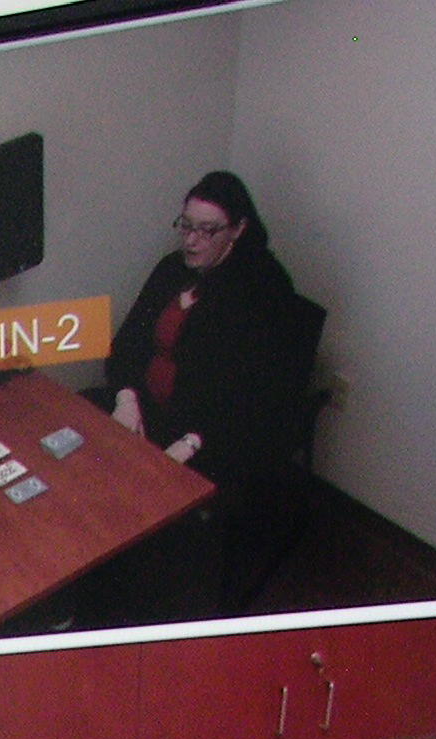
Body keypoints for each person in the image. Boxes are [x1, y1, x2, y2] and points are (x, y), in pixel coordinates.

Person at [99, 171, 321, 612]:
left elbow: (251, 399)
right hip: (150, 411)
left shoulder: (262, 290)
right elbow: (127, 343)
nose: (192, 241)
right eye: (186, 225)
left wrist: (189, 444)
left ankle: (139, 597)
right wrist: (127, 398)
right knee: (92, 471)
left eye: (208, 230)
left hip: (215, 435)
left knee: (140, 502)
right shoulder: (171, 270)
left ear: (238, 229)